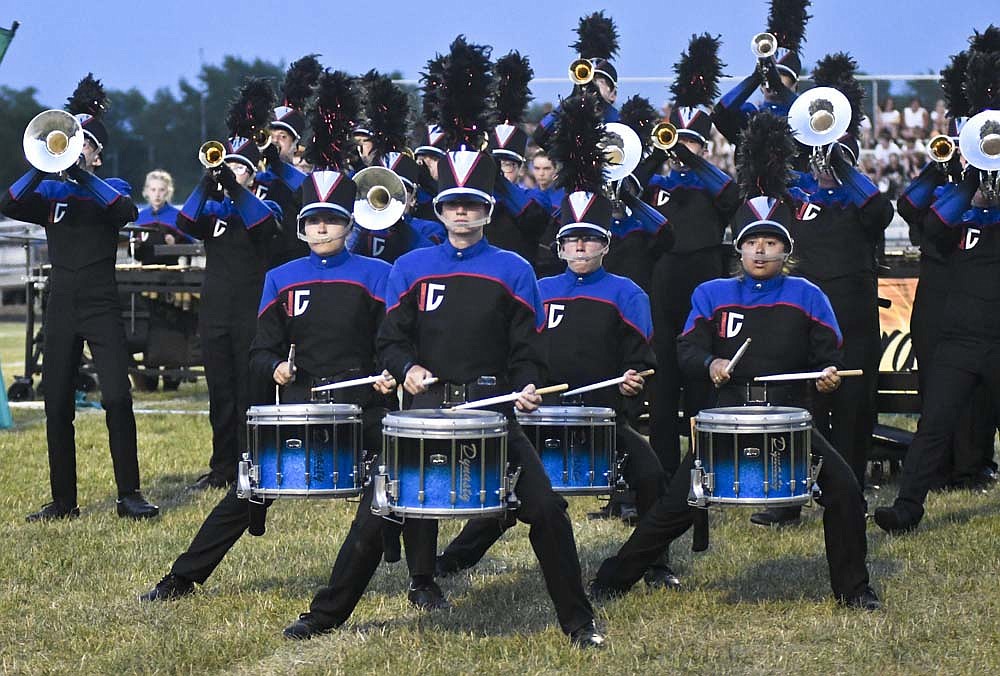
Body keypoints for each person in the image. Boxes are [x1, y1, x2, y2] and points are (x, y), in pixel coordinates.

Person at [281, 147, 605, 648]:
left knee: (546, 509)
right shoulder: (410, 267)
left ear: (488, 210)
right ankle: (325, 615)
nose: (461, 212)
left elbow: (529, 350)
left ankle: (579, 622)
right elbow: (390, 340)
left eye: (472, 204)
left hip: (491, 415)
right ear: (439, 209)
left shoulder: (515, 269)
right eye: (453, 203)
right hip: (425, 416)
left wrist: (526, 385)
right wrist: (405, 369)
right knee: (377, 511)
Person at [589, 194, 880, 612]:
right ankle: (614, 578)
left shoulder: (808, 294)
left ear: (787, 249)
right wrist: (711, 363)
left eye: (771, 242)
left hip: (789, 420)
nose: (760, 250)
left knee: (846, 490)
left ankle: (853, 589)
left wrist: (828, 379)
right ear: (738, 248)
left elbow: (829, 361)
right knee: (677, 505)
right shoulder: (712, 293)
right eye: (752, 241)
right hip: (727, 420)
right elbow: (686, 350)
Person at [139, 166, 410, 601]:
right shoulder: (281, 278)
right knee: (247, 486)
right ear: (302, 226)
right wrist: (274, 370)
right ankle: (182, 577)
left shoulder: (378, 273)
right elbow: (260, 351)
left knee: (402, 475)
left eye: (333, 219)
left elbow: (392, 343)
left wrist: (388, 373)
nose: (322, 227)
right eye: (314, 220)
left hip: (363, 407)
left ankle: (422, 579)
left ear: (349, 222)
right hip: (301, 405)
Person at [435, 189, 677, 588]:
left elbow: (641, 360)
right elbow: (514, 349)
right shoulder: (538, 288)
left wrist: (634, 381)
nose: (581, 246)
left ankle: (654, 564)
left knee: (651, 475)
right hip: (538, 418)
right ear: (560, 247)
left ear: (606, 245)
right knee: (511, 488)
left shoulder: (628, 293)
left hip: (602, 417)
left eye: (591, 238)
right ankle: (455, 559)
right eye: (571, 239)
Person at [1, 74, 158, 520]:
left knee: (117, 399)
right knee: (56, 405)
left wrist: (84, 176)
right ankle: (63, 500)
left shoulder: (114, 188)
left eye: (84, 142)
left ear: (98, 152)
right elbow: (9, 203)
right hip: (62, 306)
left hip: (101, 304)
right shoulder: (49, 193)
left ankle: (129, 494)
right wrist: (43, 164)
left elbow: (126, 213)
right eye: (74, 139)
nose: (77, 147)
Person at [768, 57, 895, 529]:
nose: (825, 155)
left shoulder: (859, 195)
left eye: (838, 148)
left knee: (852, 403)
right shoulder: (798, 192)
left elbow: (880, 212)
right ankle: (789, 496)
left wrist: (845, 167)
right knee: (800, 402)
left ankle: (849, 491)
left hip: (852, 309)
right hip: (803, 308)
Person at [874, 111, 1000, 535]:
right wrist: (970, 175)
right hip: (959, 340)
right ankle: (907, 508)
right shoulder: (958, 215)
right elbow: (930, 221)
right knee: (933, 427)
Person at [177, 83, 282, 490]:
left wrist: (236, 187)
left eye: (240, 167)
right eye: (229, 166)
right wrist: (207, 184)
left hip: (250, 308)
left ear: (253, 176)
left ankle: (253, 465)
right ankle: (222, 467)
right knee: (220, 393)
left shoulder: (263, 205)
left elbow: (262, 226)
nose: (230, 172)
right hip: (216, 307)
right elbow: (183, 224)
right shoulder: (215, 209)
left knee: (249, 392)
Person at [711, 0, 810, 147]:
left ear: (795, 85)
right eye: (771, 75)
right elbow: (720, 114)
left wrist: (780, 88)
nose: (773, 78)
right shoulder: (750, 115)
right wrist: (756, 77)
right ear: (761, 86)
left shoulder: (801, 121)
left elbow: (811, 117)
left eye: (782, 76)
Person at [133, 170, 193, 266]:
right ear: (146, 192)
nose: (157, 194)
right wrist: (136, 246)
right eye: (153, 190)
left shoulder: (179, 216)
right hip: (145, 274)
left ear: (168, 191)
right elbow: (135, 254)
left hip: (173, 275)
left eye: (161, 190)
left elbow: (191, 248)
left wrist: (175, 244)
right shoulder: (139, 217)